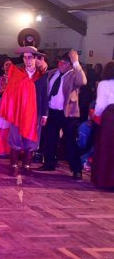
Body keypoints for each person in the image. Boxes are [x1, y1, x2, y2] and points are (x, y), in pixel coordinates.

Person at [0, 46, 48, 176]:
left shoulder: (42, 76)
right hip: (18, 112)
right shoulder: (17, 74)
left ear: (36, 58)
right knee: (15, 138)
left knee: (31, 139)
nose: (27, 60)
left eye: (30, 57)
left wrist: (45, 114)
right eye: (25, 58)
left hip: (35, 112)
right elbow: (10, 92)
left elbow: (44, 96)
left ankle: (27, 166)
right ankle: (14, 166)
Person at [37, 50, 87, 178]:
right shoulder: (52, 73)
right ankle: (49, 164)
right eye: (60, 61)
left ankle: (76, 169)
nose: (61, 64)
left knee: (70, 141)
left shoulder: (74, 75)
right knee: (49, 139)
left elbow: (83, 81)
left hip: (68, 114)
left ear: (70, 65)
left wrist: (76, 62)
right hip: (52, 112)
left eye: (64, 63)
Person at [91, 61, 114, 188]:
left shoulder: (104, 84)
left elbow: (100, 105)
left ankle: (105, 180)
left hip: (110, 117)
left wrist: (96, 114)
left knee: (106, 148)